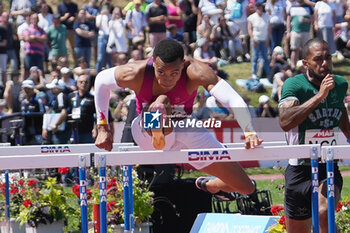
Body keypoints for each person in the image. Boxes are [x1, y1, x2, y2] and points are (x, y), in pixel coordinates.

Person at [94, 39, 263, 200]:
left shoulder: (196, 71)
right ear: (153, 63)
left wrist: (249, 132)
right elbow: (101, 80)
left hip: (186, 127)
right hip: (147, 129)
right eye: (161, 72)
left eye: (174, 73)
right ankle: (159, 127)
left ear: (183, 65)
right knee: (161, 102)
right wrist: (103, 127)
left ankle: (210, 185)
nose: (167, 79)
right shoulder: (136, 72)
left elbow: (231, 98)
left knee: (245, 187)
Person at [278, 38, 349, 232]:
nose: (324, 63)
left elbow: (340, 110)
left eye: (328, 57)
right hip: (298, 171)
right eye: (318, 59)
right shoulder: (294, 85)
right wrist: (320, 96)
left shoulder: (340, 84)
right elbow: (285, 121)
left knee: (323, 212)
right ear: (305, 63)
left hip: (328, 167)